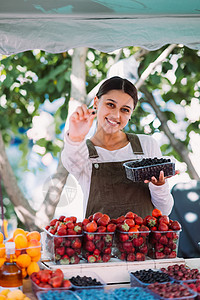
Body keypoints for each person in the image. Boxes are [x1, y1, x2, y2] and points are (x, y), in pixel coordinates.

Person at [61, 76, 175, 219]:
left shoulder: (147, 145)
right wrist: (76, 137)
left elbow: (164, 210)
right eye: (110, 105)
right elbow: (71, 160)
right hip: (100, 241)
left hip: (143, 240)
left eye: (125, 110)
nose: (116, 115)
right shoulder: (82, 151)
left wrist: (159, 185)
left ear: (131, 113)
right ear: (96, 102)